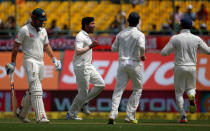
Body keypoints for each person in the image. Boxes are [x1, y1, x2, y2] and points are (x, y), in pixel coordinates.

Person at [5, 8, 62, 123]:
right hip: (30, 61)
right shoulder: (24, 30)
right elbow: (16, 47)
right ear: (33, 18)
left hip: (41, 61)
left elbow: (46, 46)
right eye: (40, 20)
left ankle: (21, 113)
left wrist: (54, 58)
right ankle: (40, 116)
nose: (42, 22)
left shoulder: (43, 30)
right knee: (36, 88)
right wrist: (13, 62)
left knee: (33, 89)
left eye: (43, 20)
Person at [161, 17, 210, 123]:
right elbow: (208, 51)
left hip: (179, 67)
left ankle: (183, 116)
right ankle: (191, 96)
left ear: (181, 25)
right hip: (192, 67)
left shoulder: (175, 38)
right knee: (191, 88)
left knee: (179, 93)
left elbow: (163, 53)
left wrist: (173, 50)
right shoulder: (196, 39)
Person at [108, 12, 145, 124]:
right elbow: (142, 46)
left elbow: (113, 49)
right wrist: (142, 55)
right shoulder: (140, 34)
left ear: (128, 21)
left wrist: (123, 48)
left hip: (122, 63)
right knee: (137, 89)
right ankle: (129, 116)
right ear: (138, 22)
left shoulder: (121, 34)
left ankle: (113, 114)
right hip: (134, 63)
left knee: (118, 90)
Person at [66, 17, 105, 120]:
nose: (94, 25)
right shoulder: (80, 36)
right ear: (86, 25)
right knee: (83, 93)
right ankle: (71, 114)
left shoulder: (86, 36)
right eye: (92, 24)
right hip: (81, 66)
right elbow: (78, 51)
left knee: (101, 84)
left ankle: (84, 102)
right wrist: (91, 46)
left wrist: (90, 45)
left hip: (88, 66)